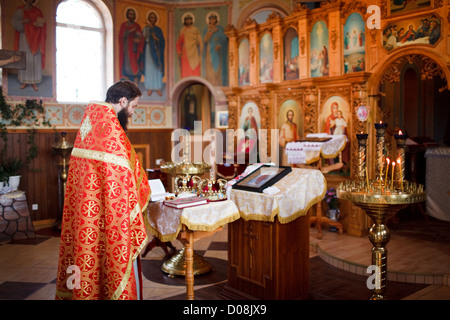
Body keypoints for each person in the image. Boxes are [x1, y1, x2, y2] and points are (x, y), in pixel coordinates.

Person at [55, 80, 151, 300]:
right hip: (108, 215)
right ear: (123, 101)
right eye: (133, 107)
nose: (133, 113)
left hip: (86, 217)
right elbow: (125, 176)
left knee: (87, 255)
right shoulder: (110, 130)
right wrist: (144, 185)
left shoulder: (91, 121)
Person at [12, 0, 47, 91]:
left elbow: (42, 24)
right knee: (25, 58)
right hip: (24, 37)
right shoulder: (20, 10)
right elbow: (14, 23)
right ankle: (25, 81)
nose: (29, 0)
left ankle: (34, 82)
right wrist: (23, 22)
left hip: (36, 38)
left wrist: (38, 24)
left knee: (34, 59)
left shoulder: (37, 11)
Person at [142, 11, 165, 96]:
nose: (152, 19)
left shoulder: (158, 30)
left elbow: (162, 41)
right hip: (148, 50)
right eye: (151, 17)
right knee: (149, 68)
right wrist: (147, 31)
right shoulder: (146, 28)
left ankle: (158, 87)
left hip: (157, 51)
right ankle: (150, 88)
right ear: (149, 19)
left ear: (156, 19)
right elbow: (142, 38)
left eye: (154, 18)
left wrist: (157, 38)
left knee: (157, 68)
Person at [202, 12, 228, 86]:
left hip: (218, 52)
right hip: (209, 50)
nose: (212, 20)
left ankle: (218, 82)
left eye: (214, 19)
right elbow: (205, 40)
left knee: (218, 67)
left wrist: (220, 45)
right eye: (211, 19)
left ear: (216, 20)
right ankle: (210, 83)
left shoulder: (220, 29)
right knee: (210, 67)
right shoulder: (206, 29)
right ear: (209, 20)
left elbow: (224, 39)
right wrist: (212, 31)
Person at [118, 8, 143, 84]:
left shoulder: (137, 26)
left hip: (135, 49)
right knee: (127, 65)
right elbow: (121, 35)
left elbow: (140, 37)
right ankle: (128, 81)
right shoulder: (124, 25)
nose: (131, 15)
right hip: (126, 49)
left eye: (133, 14)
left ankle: (136, 82)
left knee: (136, 64)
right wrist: (130, 31)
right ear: (127, 15)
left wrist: (138, 37)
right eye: (130, 14)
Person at [176, 13, 202, 78]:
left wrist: (201, 52)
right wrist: (179, 52)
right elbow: (178, 42)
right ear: (185, 21)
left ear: (192, 21)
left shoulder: (195, 29)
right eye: (187, 20)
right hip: (185, 53)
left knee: (195, 69)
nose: (188, 21)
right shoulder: (182, 30)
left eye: (189, 20)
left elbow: (200, 41)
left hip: (194, 52)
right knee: (186, 71)